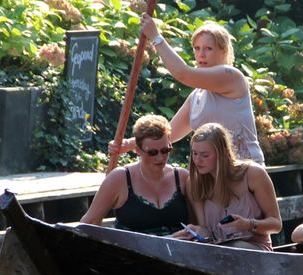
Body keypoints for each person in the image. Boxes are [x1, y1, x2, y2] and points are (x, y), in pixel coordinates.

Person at [110, 14, 265, 164]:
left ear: (223, 50)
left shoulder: (232, 77)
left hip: (243, 172)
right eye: (197, 48)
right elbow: (169, 134)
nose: (201, 55)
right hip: (211, 173)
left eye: (208, 48)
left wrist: (156, 37)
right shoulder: (197, 96)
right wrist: (128, 144)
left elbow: (183, 74)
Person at [177, 123, 281, 250]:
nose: (197, 161)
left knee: (235, 248)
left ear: (222, 154)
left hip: (254, 250)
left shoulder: (253, 174)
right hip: (218, 252)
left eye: (205, 155)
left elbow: (276, 224)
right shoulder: (194, 182)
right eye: (194, 153)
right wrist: (196, 230)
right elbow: (206, 232)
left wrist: (248, 224)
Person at [81, 114, 189, 236]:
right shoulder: (119, 178)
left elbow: (198, 226)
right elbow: (88, 223)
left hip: (175, 252)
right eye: (152, 152)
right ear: (137, 150)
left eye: (165, 150)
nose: (160, 157)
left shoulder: (182, 177)